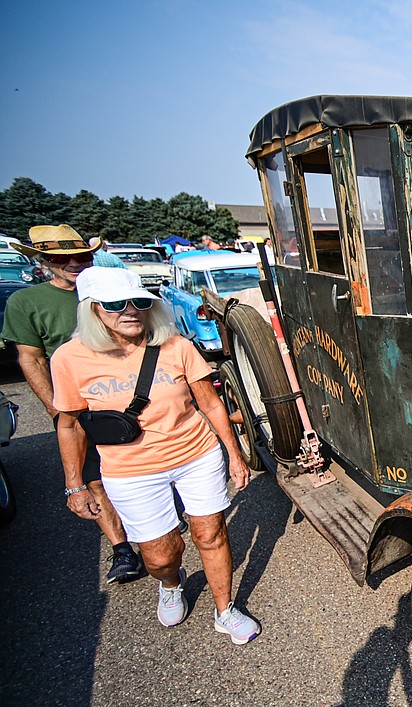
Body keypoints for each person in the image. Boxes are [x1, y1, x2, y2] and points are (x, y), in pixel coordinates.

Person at [51, 267, 260, 643]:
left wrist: (234, 453)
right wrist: (74, 485)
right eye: (116, 304)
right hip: (131, 469)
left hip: (195, 453)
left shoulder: (175, 346)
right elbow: (69, 425)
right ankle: (170, 582)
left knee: (210, 533)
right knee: (161, 555)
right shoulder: (70, 359)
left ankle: (225, 609)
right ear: (93, 310)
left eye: (140, 302)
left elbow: (211, 405)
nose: (130, 310)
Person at [3, 224, 142, 583]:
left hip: (131, 395)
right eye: (60, 258)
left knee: (142, 461)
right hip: (79, 404)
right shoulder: (27, 302)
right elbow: (30, 359)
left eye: (81, 255)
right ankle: (123, 549)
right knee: (93, 475)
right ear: (44, 261)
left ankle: (153, 521)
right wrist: (57, 406)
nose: (73, 263)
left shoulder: (111, 291)